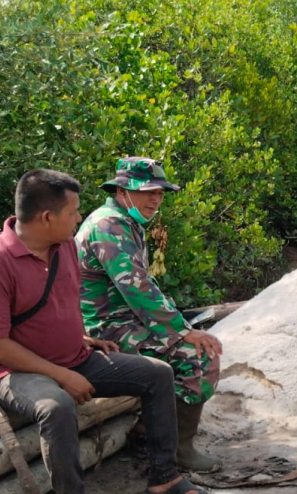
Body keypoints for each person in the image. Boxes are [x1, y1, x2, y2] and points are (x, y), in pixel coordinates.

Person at [0, 169, 206, 494]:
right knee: (56, 407)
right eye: (73, 212)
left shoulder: (64, 248)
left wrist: (82, 338)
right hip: (15, 370)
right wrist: (61, 375)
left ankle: (165, 476)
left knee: (158, 374)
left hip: (73, 356)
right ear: (47, 217)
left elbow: (65, 304)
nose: (79, 219)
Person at [76, 158, 223, 473]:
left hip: (125, 322)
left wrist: (179, 325)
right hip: (105, 330)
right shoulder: (108, 225)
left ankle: (148, 429)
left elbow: (143, 286)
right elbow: (137, 288)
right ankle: (178, 449)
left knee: (194, 344)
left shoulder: (122, 221)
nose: (156, 199)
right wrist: (182, 332)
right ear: (121, 190)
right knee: (198, 357)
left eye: (160, 192)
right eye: (147, 191)